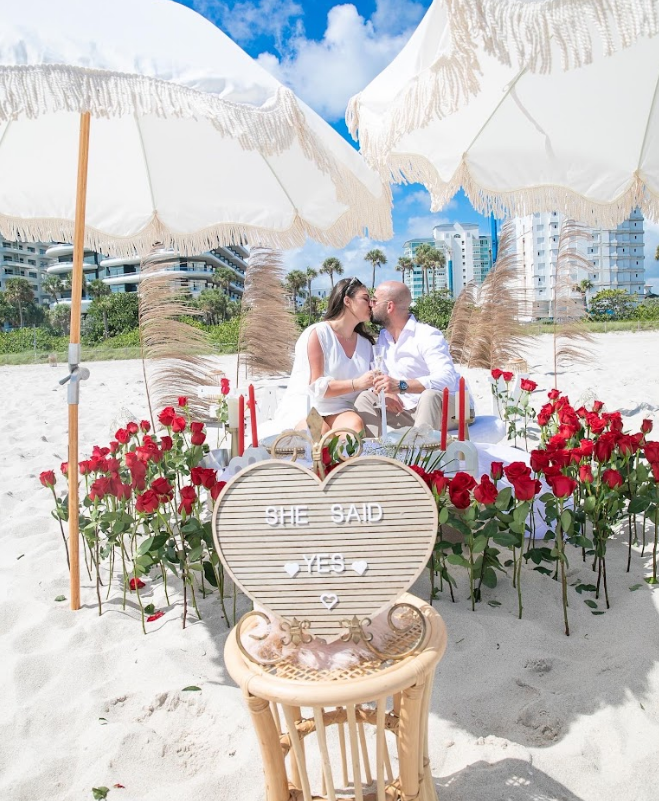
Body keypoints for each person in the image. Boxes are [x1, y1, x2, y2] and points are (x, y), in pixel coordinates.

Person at [355, 280, 464, 437]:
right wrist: (384, 392)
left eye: (374, 301)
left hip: (452, 408)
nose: (370, 305)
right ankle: (377, 454)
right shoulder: (383, 338)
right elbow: (380, 378)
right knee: (365, 398)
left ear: (389, 306)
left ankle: (420, 458)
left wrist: (400, 386)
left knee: (429, 396)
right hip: (406, 410)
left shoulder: (427, 335)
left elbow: (447, 379)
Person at [293, 276, 375, 435]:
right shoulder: (319, 333)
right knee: (318, 431)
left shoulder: (366, 344)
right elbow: (316, 387)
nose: (371, 304)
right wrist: (357, 383)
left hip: (342, 409)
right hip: (310, 407)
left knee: (354, 428)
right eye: (365, 299)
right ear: (347, 301)